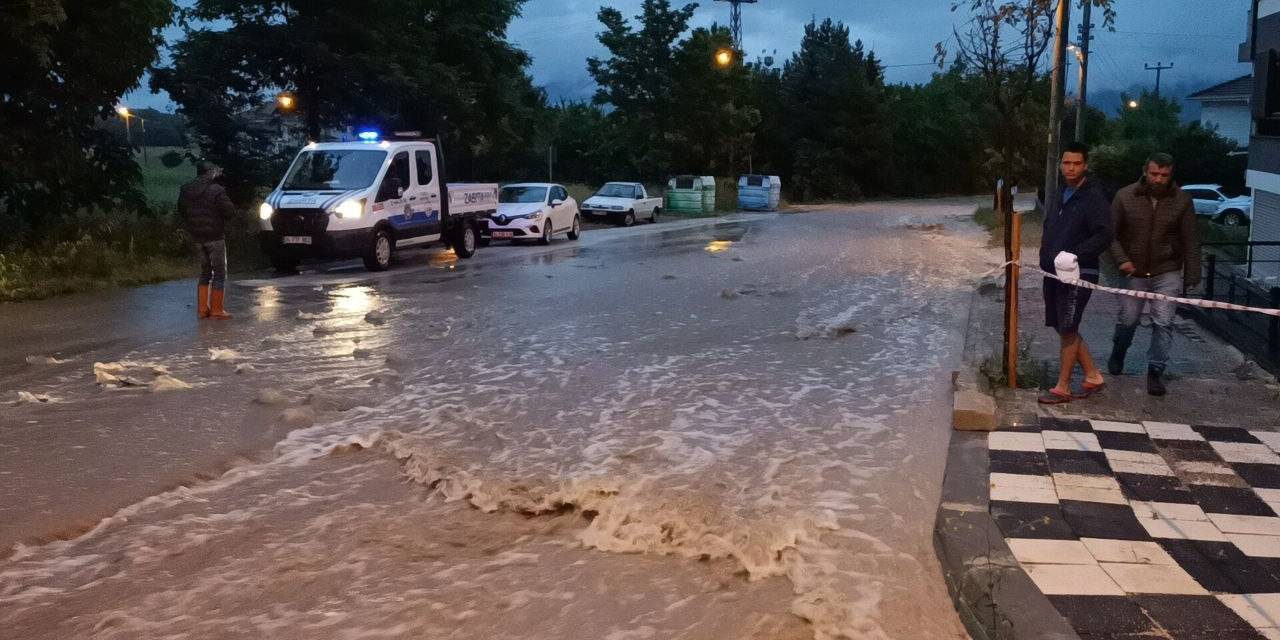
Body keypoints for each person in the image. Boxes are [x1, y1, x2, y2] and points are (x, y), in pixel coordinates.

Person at [1106, 153, 1200, 396]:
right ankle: (1119, 350)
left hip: (1166, 269)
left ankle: (1155, 371)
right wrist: (1122, 260)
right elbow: (1109, 234)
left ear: (1171, 175)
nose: (1158, 179)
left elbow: (1190, 239)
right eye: (1154, 174)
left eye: (1164, 175)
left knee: (1164, 322)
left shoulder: (1182, 201)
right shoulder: (1125, 196)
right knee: (1129, 318)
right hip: (1133, 269)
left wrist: (1192, 275)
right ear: (1145, 171)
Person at [1038, 142, 1114, 404]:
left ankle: (1063, 387)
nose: (1070, 168)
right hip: (1053, 272)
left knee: (1069, 326)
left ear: (1085, 165)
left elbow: (1105, 233)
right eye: (1066, 163)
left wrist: (1077, 255)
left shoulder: (1093, 197)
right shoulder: (1062, 192)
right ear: (1060, 164)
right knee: (1061, 324)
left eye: (1076, 163)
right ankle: (1092, 375)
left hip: (1078, 272)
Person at [178, 162, 238, 319]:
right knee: (219, 273)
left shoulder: (186, 190)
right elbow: (230, 211)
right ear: (210, 173)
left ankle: (202, 310)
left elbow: (182, 211)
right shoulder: (216, 191)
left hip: (197, 237)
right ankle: (217, 310)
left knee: (204, 272)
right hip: (215, 237)